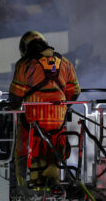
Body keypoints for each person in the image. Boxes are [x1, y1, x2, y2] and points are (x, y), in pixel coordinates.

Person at [8, 31, 80, 187]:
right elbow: (74, 91)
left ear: (25, 48)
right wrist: (61, 107)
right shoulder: (65, 63)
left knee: (23, 152)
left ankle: (23, 187)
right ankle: (52, 186)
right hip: (58, 122)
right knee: (54, 153)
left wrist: (12, 107)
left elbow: (15, 97)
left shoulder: (25, 64)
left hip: (32, 122)